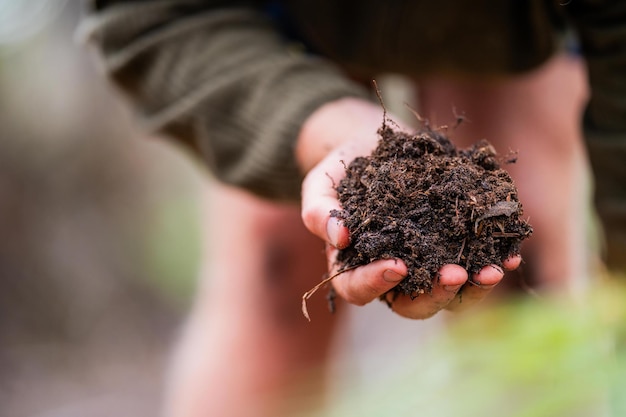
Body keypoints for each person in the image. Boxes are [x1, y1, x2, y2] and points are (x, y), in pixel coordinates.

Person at [78, 1, 624, 416]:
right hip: (300, 16)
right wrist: (325, 128)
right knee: (276, 259)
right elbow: (149, 19)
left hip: (503, 16)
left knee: (522, 254)